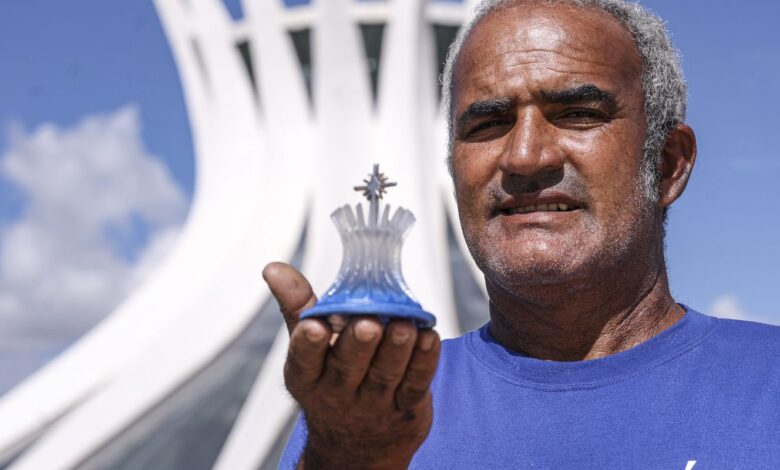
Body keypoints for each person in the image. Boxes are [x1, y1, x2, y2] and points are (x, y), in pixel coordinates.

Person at [265, 0, 780, 467]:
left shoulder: (766, 385)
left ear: (667, 165)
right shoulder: (377, 411)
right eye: (487, 124)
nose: (525, 156)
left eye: (577, 114)